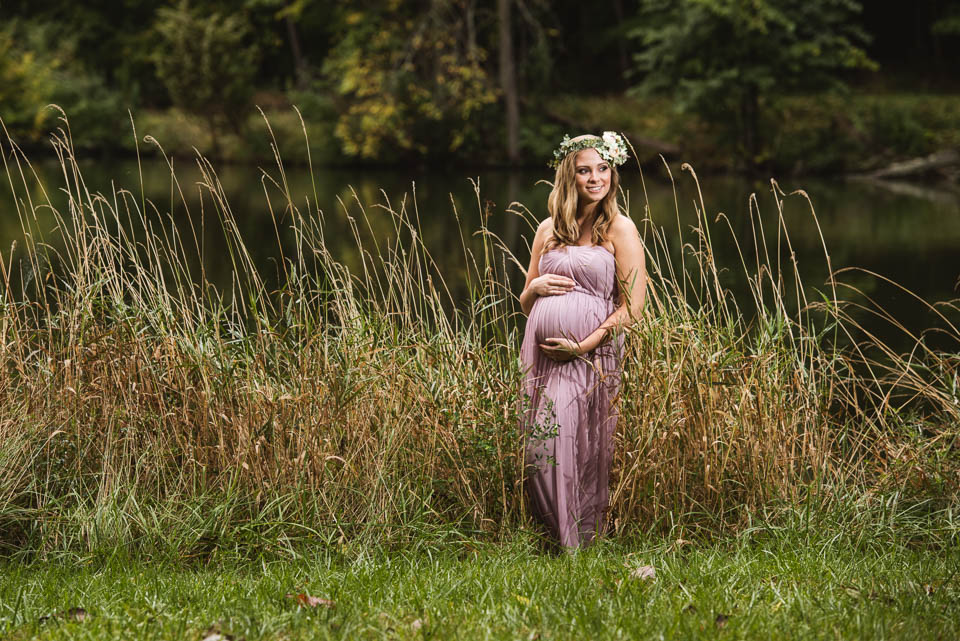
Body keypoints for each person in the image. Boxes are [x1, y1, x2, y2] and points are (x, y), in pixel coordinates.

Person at [519, 132, 646, 549]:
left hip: (590, 356)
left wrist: (584, 344)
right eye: (585, 170)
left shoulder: (620, 229)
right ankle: (559, 538)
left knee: (572, 443)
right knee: (544, 446)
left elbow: (632, 308)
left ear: (613, 172)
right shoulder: (548, 229)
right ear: (568, 177)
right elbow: (523, 301)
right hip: (546, 358)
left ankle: (574, 544)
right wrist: (536, 288)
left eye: (603, 169)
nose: (596, 178)